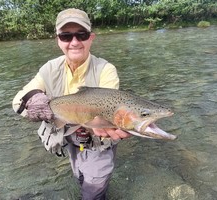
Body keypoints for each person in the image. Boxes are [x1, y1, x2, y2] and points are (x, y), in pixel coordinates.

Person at [12, 8, 130, 200]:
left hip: (97, 139)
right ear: (58, 40)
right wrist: (36, 101)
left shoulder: (106, 70)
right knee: (80, 177)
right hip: (69, 139)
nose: (74, 42)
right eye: (66, 36)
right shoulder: (49, 69)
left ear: (91, 37)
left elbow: (111, 107)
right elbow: (18, 101)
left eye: (81, 35)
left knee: (93, 191)